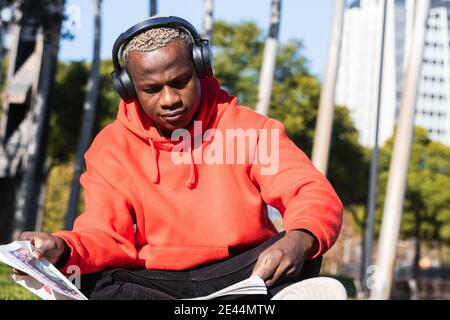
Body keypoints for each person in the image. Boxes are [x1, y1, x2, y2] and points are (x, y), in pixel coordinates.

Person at [17, 16, 343, 300]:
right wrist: (62, 248)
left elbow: (310, 192)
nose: (170, 99)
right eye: (152, 89)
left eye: (180, 82)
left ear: (200, 68)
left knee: (303, 248)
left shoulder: (250, 129)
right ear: (129, 88)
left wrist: (301, 238)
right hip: (156, 281)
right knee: (89, 278)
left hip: (245, 271)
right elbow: (104, 235)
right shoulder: (111, 147)